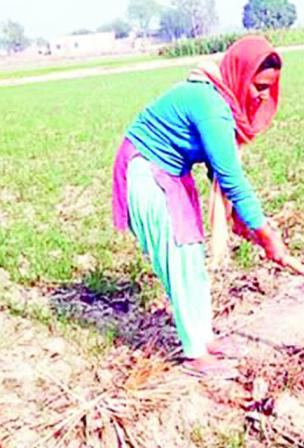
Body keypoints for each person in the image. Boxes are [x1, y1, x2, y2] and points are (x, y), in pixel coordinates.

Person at [111, 36, 288, 377]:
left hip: (171, 173)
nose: (263, 96)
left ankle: (204, 338)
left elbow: (217, 173)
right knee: (181, 255)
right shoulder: (211, 107)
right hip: (148, 171)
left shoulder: (218, 97)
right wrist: (267, 237)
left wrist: (243, 221)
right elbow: (231, 178)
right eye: (259, 86)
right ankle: (195, 354)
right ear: (241, 74)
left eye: (270, 88)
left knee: (193, 256)